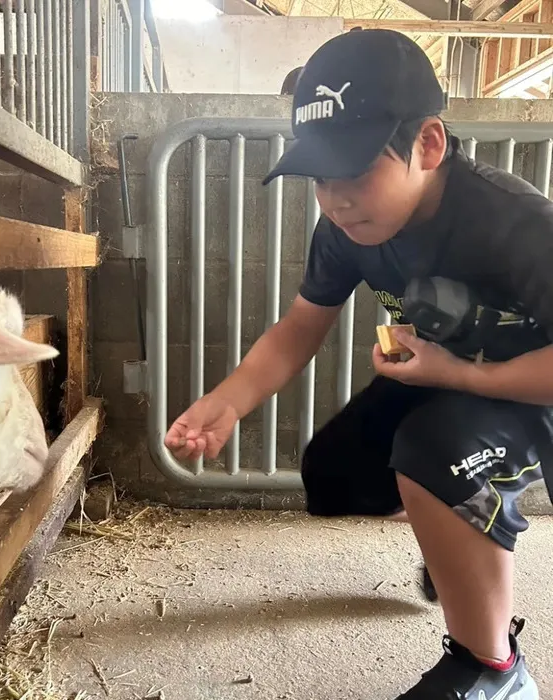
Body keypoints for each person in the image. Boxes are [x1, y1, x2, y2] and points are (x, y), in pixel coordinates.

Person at [164, 27, 553, 700]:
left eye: (353, 171)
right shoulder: (344, 228)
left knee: (435, 451)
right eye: (319, 178)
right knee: (336, 473)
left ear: (428, 145)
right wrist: (227, 401)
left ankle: (493, 670)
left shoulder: (514, 222)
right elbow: (298, 329)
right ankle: (459, 540)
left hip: (531, 388)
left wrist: (462, 377)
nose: (334, 198)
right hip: (446, 374)